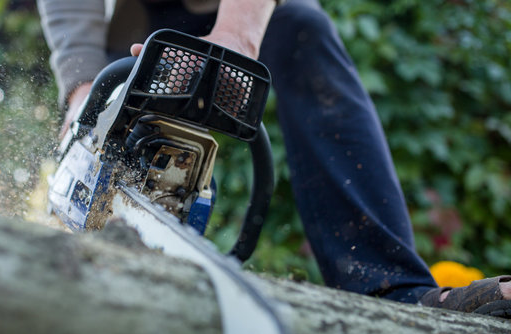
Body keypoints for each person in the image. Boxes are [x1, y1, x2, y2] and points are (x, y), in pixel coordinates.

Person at [37, 0, 511, 317]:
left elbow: (249, 35)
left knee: (303, 27)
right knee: (117, 119)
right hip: (132, 21)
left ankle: (393, 287)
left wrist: (238, 37)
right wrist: (83, 89)